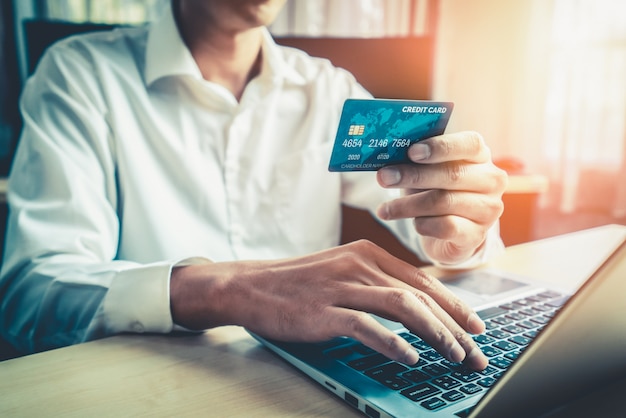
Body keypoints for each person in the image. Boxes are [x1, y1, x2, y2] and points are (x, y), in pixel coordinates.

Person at [0, 0, 507, 371]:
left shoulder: (328, 88)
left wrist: (456, 231)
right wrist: (229, 289)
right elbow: (32, 295)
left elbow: (420, 211)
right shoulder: (78, 74)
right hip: (152, 378)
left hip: (312, 377)